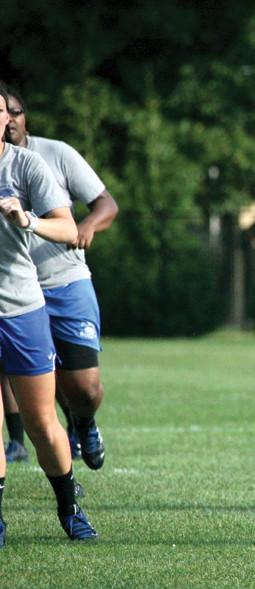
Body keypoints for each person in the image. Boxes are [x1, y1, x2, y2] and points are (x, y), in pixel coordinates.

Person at [0, 81, 98, 545]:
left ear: (7, 120)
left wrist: (28, 220)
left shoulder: (25, 165)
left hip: (21, 310)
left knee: (41, 423)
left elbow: (68, 225)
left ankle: (69, 506)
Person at [2, 85, 119, 471]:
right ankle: (42, 452)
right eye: (7, 112)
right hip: (16, 292)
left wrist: (84, 227)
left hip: (64, 282)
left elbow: (106, 203)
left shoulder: (54, 154)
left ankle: (83, 422)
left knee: (83, 388)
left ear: (22, 116)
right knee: (37, 386)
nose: (11, 120)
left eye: (16, 112)